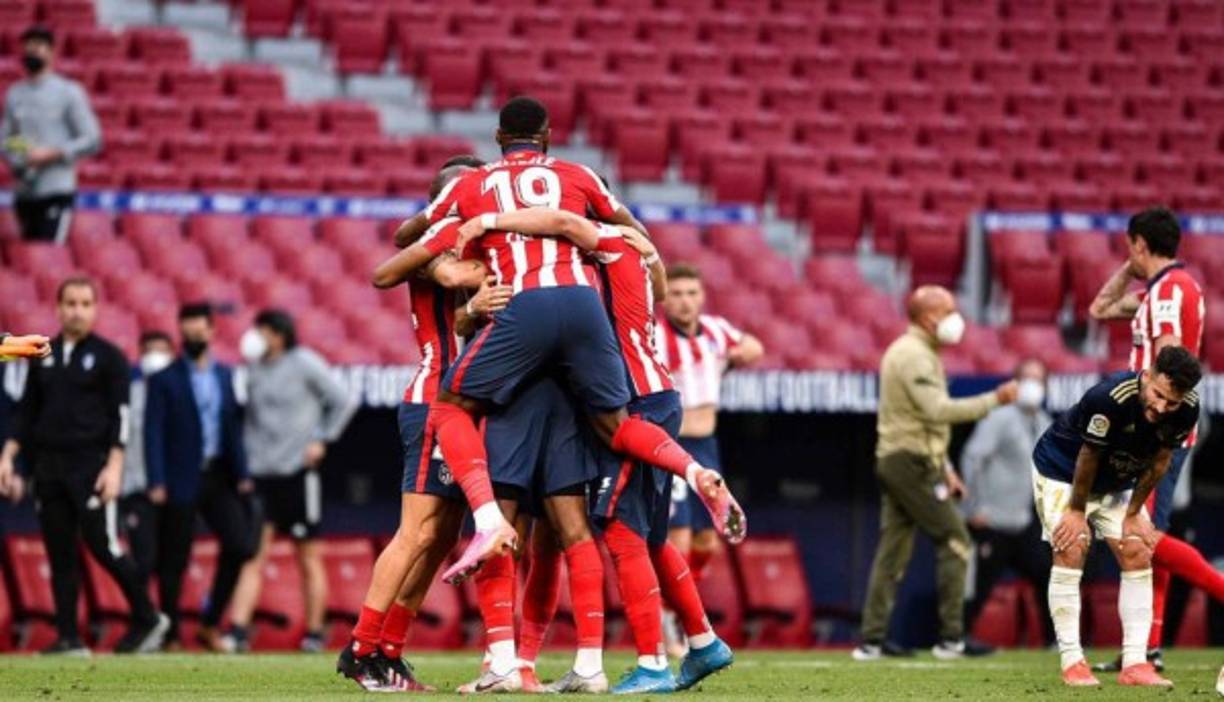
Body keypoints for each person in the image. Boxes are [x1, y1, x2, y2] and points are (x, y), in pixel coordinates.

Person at [418, 96, 743, 592]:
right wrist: (643, 240)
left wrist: (478, 228)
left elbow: (409, 240)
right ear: (547, 134)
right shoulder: (610, 228)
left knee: (454, 414)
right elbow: (585, 229)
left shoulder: (479, 188)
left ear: (499, 139)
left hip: (533, 334)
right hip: (631, 374)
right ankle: (694, 472)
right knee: (586, 519)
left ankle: (488, 538)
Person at [479, 207, 736, 693]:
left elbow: (567, 225)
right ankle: (703, 642)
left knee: (621, 535)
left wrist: (486, 221)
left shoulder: (595, 245)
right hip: (659, 393)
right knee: (655, 539)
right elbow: (658, 290)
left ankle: (652, 665)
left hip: (630, 403)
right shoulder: (634, 247)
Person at [1087, 206, 1224, 672]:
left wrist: (1151, 422)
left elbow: (1167, 357)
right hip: (1161, 424)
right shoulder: (1165, 288)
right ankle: (1148, 645)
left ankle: (1156, 639)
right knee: (1146, 534)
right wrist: (1135, 263)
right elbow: (1100, 308)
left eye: (1131, 247)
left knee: (1140, 533)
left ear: (1141, 243)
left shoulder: (1168, 290)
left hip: (1156, 425)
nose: (1128, 255)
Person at [0, 277, 168, 654]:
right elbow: (26, 413)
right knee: (59, 551)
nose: (77, 310)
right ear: (58, 308)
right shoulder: (41, 355)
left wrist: (114, 466)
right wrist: (8, 456)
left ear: (95, 309)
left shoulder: (110, 357)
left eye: (84, 303)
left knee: (103, 545)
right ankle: (68, 637)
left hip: (91, 466)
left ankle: (148, 616)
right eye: (70, 303)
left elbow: (121, 417)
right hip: (48, 467)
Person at [853, 285, 1018, 662]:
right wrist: (994, 400)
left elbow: (924, 422)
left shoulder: (922, 352)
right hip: (907, 462)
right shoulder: (912, 355)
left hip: (908, 459)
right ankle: (951, 639)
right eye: (949, 312)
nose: (956, 320)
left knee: (892, 552)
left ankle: (871, 642)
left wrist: (945, 468)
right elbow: (937, 411)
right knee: (956, 539)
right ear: (929, 318)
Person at [1031, 346, 1200, 688]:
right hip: (1063, 472)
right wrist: (1077, 512)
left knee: (1138, 549)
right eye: (1158, 395)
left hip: (1114, 481)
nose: (1162, 407)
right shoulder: (1109, 397)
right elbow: (1088, 455)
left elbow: (1160, 461)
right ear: (1148, 374)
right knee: (1072, 544)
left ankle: (1135, 665)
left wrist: (1136, 512)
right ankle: (1072, 661)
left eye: (1172, 402)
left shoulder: (1187, 410)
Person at [225, 309, 357, 653]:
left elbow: (343, 400)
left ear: (278, 334)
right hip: (262, 475)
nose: (257, 337)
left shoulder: (304, 362)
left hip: (298, 474)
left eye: (263, 331)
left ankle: (314, 632)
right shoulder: (252, 370)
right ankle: (238, 631)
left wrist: (322, 439)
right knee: (253, 555)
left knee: (308, 555)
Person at [654, 262, 762, 654]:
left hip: (708, 444)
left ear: (702, 297)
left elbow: (754, 347)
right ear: (667, 300)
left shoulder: (716, 332)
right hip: (673, 445)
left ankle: (674, 608)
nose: (685, 301)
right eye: (678, 293)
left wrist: (728, 358)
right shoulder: (654, 336)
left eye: (692, 293)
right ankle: (673, 618)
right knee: (678, 538)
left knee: (706, 540)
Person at [144, 303, 259, 651]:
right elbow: (153, 431)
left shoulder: (225, 375)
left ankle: (209, 624)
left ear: (211, 331)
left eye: (200, 330)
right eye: (188, 331)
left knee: (240, 545)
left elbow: (231, 428)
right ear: (182, 332)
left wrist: (242, 474)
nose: (194, 336)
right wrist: (156, 480)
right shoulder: (164, 379)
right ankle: (171, 633)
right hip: (180, 476)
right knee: (174, 558)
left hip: (218, 475)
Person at [960, 358, 1054, 646]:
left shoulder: (1043, 423)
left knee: (1048, 576)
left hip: (1022, 520)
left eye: (1038, 379)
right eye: (1026, 377)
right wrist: (973, 508)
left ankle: (1056, 641)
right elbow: (972, 458)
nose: (1032, 385)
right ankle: (957, 637)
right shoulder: (1000, 417)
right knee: (977, 584)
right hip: (991, 519)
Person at [1, 25, 101, 242]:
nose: (32, 51)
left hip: (56, 189)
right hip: (25, 192)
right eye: (28, 46)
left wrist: (52, 153)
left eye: (38, 46)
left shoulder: (68, 92)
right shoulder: (15, 93)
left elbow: (92, 138)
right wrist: (22, 153)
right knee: (29, 259)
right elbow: (6, 139)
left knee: (50, 255)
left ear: (51, 52)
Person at [119, 330, 176, 591]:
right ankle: (142, 619)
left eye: (162, 350)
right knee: (143, 560)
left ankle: (167, 623)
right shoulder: (127, 392)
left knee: (171, 563)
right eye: (150, 350)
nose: (156, 356)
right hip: (137, 487)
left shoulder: (181, 391)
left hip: (174, 490)